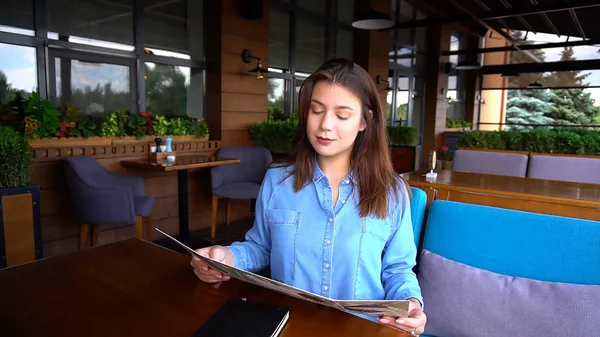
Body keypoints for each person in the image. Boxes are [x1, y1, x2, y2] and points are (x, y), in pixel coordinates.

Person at [191, 58, 427, 336]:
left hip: (362, 329)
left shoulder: (392, 191)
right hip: (288, 325)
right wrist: (225, 256)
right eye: (316, 110)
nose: (325, 125)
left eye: (342, 115)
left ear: (365, 121)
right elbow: (262, 247)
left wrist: (411, 304)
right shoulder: (278, 180)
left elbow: (398, 269)